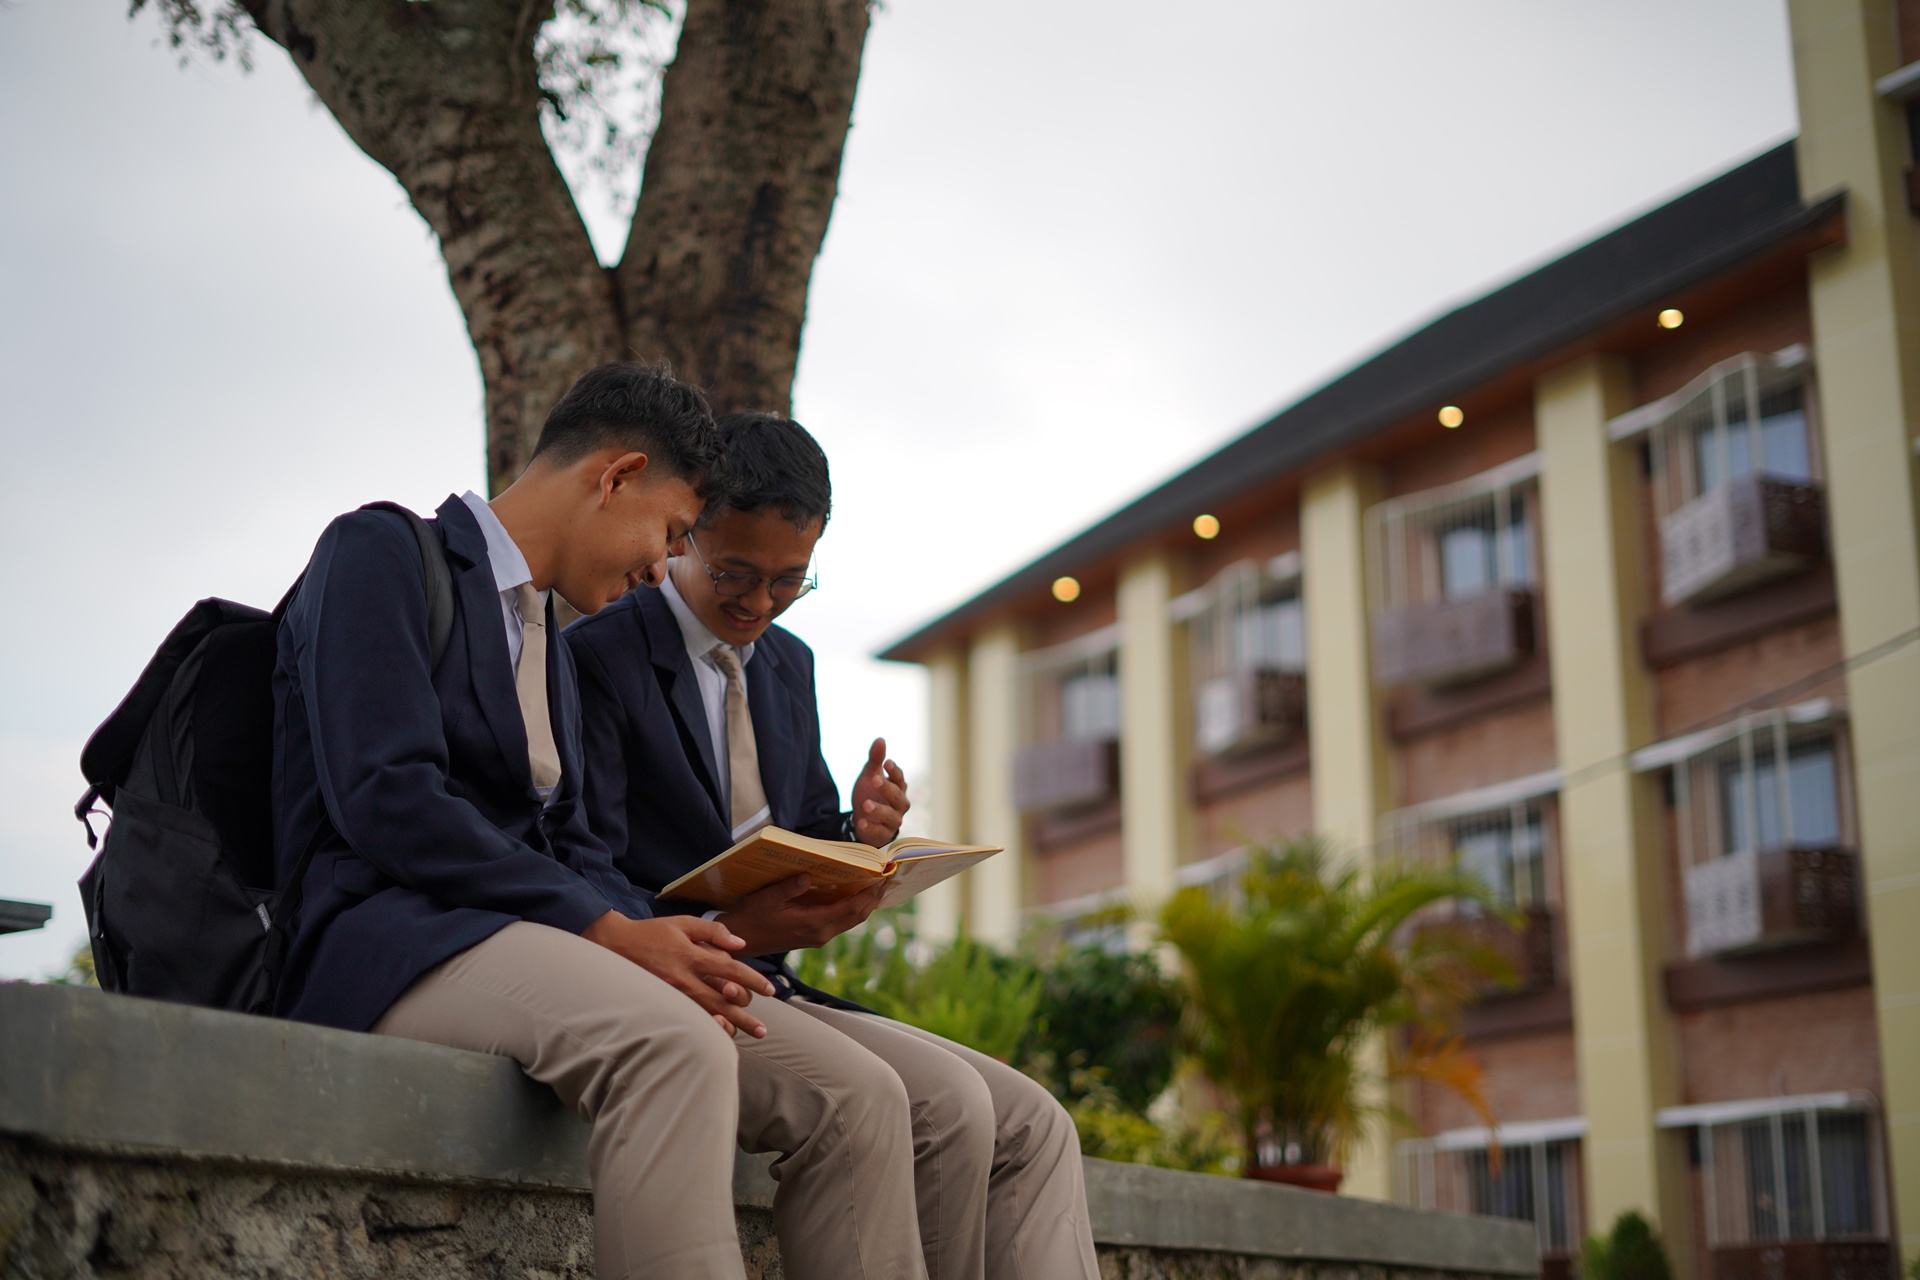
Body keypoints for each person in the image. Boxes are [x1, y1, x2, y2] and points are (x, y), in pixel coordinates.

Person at [566, 412, 1101, 1280]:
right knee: (921, 1106)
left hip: (771, 980)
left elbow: (803, 832)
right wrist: (740, 928)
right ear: (686, 531)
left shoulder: (788, 663)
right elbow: (580, 861)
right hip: (674, 976)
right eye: (736, 574)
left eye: (790, 581)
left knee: (1032, 1121)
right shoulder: (598, 654)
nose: (759, 603)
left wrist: (858, 834)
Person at [272, 362, 777, 1280]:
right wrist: (605, 927)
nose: (662, 567)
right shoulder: (381, 551)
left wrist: (671, 936)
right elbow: (388, 794)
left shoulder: (551, 638)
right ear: (616, 475)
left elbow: (574, 843)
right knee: (673, 1048)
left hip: (515, 941)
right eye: (670, 532)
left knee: (726, 1036)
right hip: (384, 939)